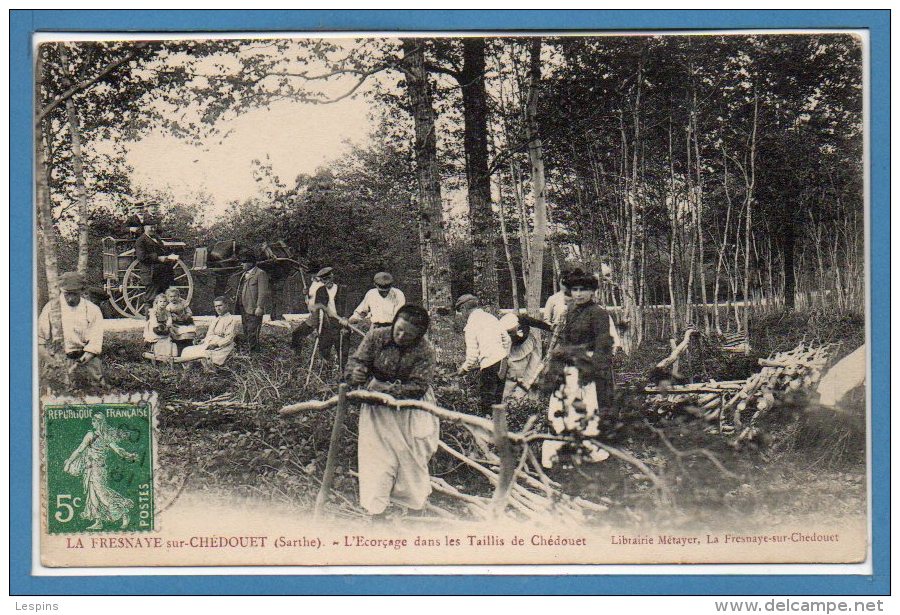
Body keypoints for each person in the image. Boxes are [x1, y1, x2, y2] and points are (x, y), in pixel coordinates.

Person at [345, 304, 438, 519]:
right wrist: (356, 374)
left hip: (411, 410)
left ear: (419, 336)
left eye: (409, 334)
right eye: (399, 329)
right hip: (377, 410)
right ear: (394, 321)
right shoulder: (376, 337)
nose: (402, 336)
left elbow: (417, 387)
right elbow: (356, 363)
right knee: (377, 461)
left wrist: (387, 388)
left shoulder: (425, 351)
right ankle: (378, 516)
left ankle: (415, 513)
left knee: (412, 460)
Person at [540, 270, 615, 465]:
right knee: (560, 408)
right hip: (568, 366)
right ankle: (560, 453)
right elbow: (563, 342)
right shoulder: (570, 312)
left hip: (587, 367)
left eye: (584, 289)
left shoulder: (599, 313)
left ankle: (589, 454)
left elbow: (603, 346)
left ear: (592, 292)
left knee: (586, 409)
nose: (579, 294)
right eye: (575, 290)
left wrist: (591, 372)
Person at [63, 412, 137, 530]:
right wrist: (128, 455)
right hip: (89, 469)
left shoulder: (93, 435)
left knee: (102, 495)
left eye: (94, 421)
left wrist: (68, 462)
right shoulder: (102, 435)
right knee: (92, 496)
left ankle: (123, 512)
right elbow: (118, 450)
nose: (92, 423)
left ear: (98, 422)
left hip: (98, 470)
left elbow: (79, 450)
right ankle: (98, 521)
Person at [38, 271, 105, 387]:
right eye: (67, 294)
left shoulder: (92, 310)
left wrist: (80, 363)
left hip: (84, 357)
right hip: (57, 357)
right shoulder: (51, 308)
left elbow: (95, 341)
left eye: (74, 294)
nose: (70, 298)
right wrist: (52, 362)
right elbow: (39, 340)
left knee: (97, 388)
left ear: (81, 291)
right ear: (61, 291)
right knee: (50, 388)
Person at [454, 294, 511, 415]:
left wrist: (464, 369)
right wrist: (503, 354)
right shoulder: (491, 318)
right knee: (498, 400)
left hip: (489, 365)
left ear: (464, 308)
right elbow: (507, 339)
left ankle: (489, 428)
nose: (462, 316)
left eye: (460, 311)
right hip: (502, 363)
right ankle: (500, 428)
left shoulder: (470, 326)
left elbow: (472, 355)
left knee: (488, 401)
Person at [292, 266, 350, 367]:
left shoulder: (342, 290)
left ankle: (343, 376)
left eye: (328, 279)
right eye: (323, 280)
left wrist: (345, 320)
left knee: (342, 352)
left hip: (341, 324)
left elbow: (348, 308)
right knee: (324, 350)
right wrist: (319, 328)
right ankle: (326, 374)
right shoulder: (321, 291)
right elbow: (319, 311)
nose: (326, 282)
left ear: (332, 276)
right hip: (327, 324)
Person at [498, 312, 551, 401]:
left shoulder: (523, 319)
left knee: (531, 371)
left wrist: (550, 328)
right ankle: (509, 399)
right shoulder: (501, 332)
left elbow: (536, 323)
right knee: (514, 373)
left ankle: (529, 399)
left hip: (528, 344)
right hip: (513, 349)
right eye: (509, 331)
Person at [133, 216, 179, 313]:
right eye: (151, 227)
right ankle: (149, 322)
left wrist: (169, 256)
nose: (153, 229)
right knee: (150, 298)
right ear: (145, 227)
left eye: (154, 227)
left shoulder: (157, 238)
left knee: (163, 298)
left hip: (162, 274)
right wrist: (158, 258)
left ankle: (162, 320)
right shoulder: (140, 241)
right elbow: (142, 257)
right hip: (150, 274)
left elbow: (163, 251)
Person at [180, 296, 238, 370]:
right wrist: (201, 341)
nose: (218, 308)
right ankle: (190, 371)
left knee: (205, 353)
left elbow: (229, 338)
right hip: (209, 344)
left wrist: (216, 345)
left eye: (220, 305)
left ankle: (209, 372)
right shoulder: (216, 320)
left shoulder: (231, 319)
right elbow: (209, 335)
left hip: (223, 347)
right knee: (187, 350)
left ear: (226, 305)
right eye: (216, 306)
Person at [234, 250, 271, 352]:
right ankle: (249, 352)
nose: (241, 264)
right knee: (246, 330)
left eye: (243, 262)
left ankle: (255, 354)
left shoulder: (260, 273)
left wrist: (260, 307)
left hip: (253, 308)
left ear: (250, 263)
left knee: (253, 332)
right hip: (243, 307)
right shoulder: (244, 274)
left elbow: (263, 292)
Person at [143, 293, 176, 360]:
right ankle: (156, 353)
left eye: (164, 302)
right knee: (157, 337)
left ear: (167, 303)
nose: (162, 303)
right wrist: (157, 327)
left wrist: (168, 325)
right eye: (160, 301)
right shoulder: (153, 311)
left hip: (164, 326)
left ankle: (166, 355)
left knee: (168, 338)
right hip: (155, 327)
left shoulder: (166, 311)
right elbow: (153, 320)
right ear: (156, 302)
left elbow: (169, 319)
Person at [165, 287, 196, 355]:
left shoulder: (182, 303)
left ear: (178, 296)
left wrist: (186, 316)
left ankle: (190, 351)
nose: (173, 298)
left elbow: (189, 312)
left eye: (175, 296)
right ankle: (180, 352)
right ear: (168, 297)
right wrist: (173, 319)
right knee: (178, 336)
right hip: (176, 324)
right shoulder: (168, 307)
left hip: (185, 322)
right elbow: (168, 317)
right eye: (171, 296)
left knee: (189, 334)